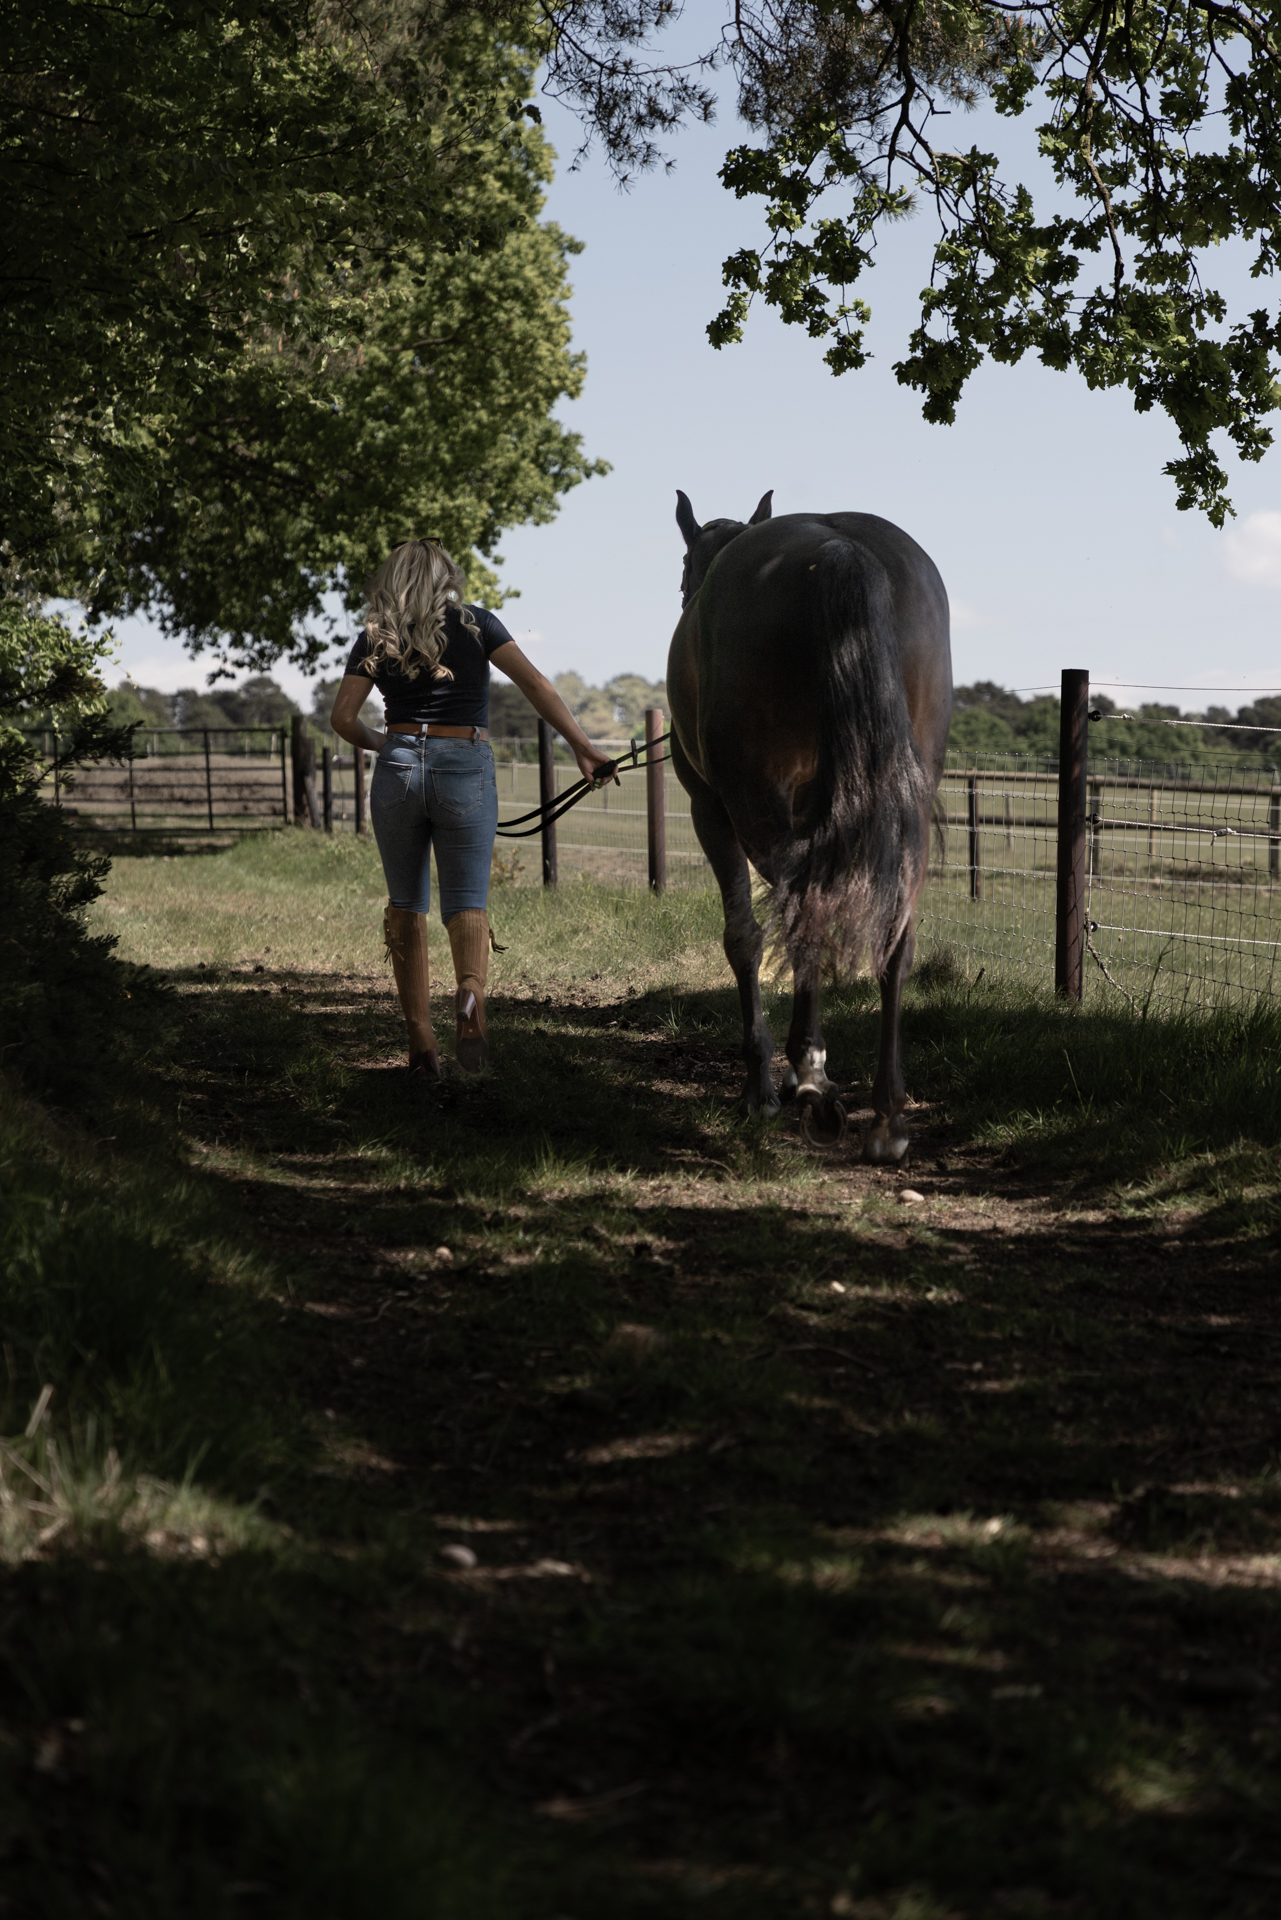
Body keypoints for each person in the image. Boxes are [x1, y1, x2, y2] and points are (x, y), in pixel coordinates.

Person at [330, 539, 614, 1076]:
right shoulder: (477, 623)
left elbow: (343, 719)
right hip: (464, 763)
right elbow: (535, 684)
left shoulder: (376, 635)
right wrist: (582, 746)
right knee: (466, 901)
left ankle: (421, 1042)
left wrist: (385, 744)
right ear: (446, 576)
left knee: (406, 903)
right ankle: (469, 994)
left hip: (397, 768)